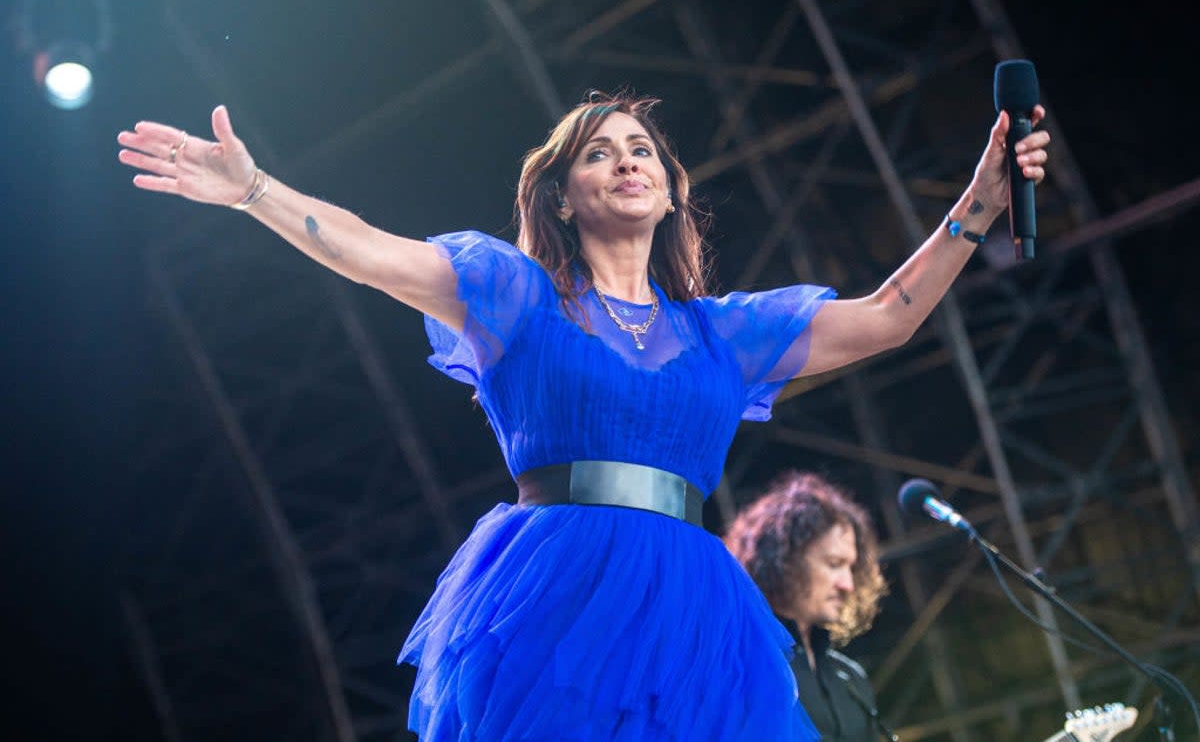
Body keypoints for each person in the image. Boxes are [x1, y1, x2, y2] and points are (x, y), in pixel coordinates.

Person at [116, 89, 1048, 741]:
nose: (626, 160)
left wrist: (983, 199)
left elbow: (890, 314)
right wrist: (251, 190)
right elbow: (369, 252)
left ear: (673, 187)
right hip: (553, 586)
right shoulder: (512, 290)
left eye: (642, 148)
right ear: (562, 195)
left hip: (692, 601)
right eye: (598, 152)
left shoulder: (726, 333)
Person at [725, 471, 896, 742]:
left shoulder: (851, 678)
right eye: (834, 564)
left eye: (851, 568)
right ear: (784, 561)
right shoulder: (738, 667)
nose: (847, 584)